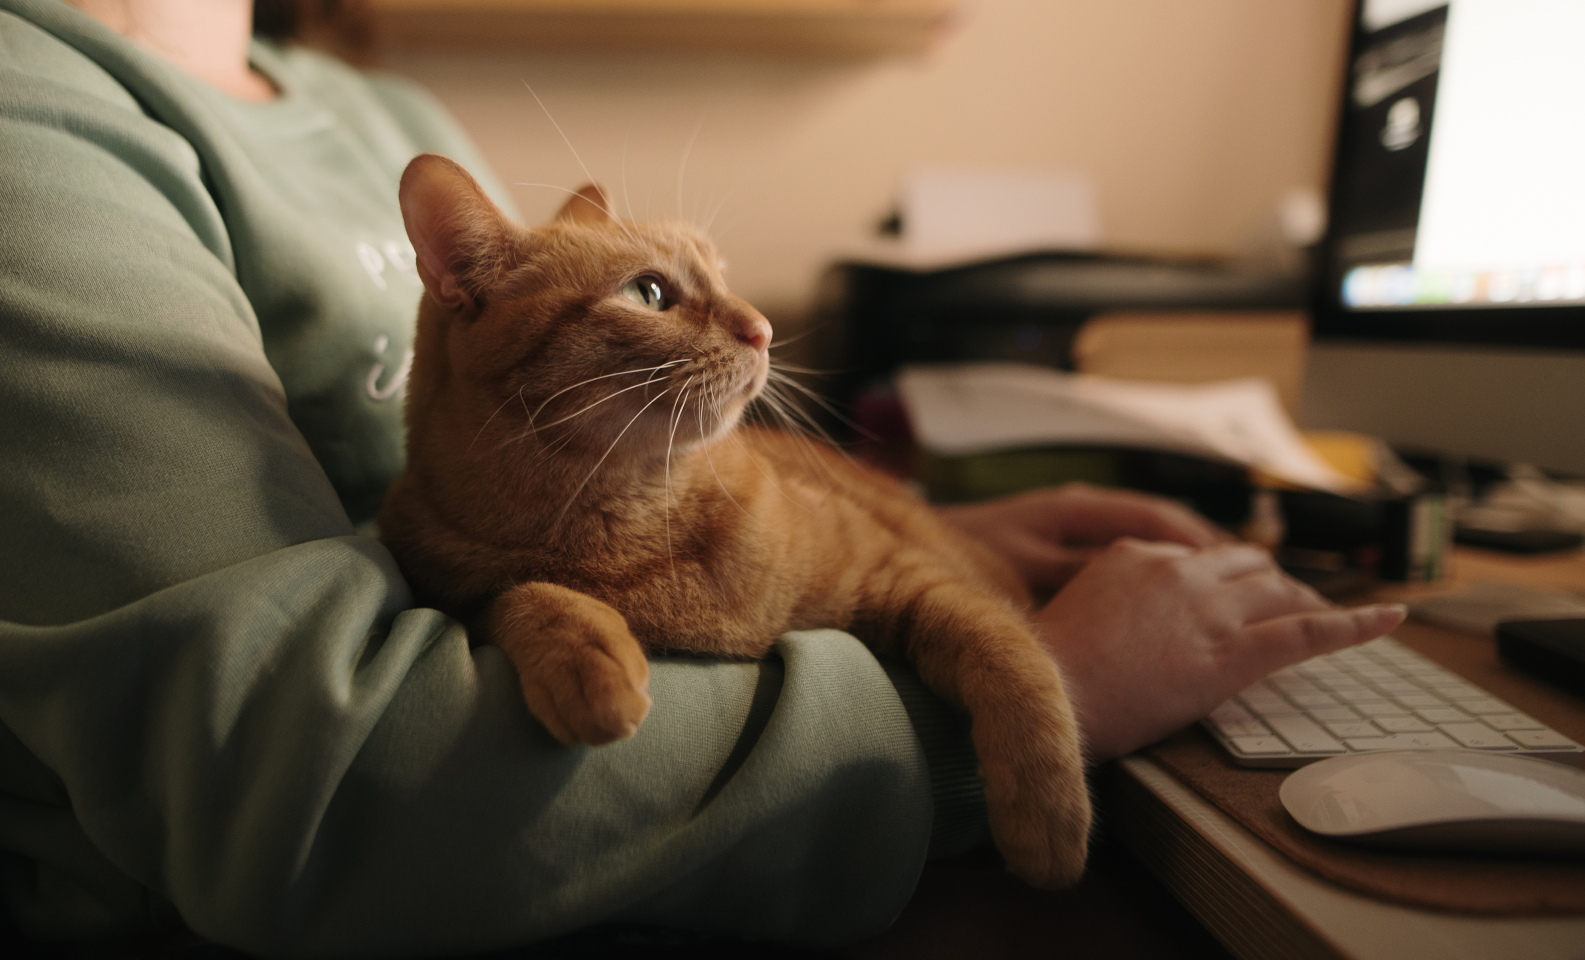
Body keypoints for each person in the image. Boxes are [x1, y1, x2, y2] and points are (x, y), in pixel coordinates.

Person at [0, 1, 1405, 955]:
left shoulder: (380, 107)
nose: (749, 331)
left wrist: (917, 542)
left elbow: (607, 452)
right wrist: (1049, 694)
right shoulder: (32, 115)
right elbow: (307, 796)